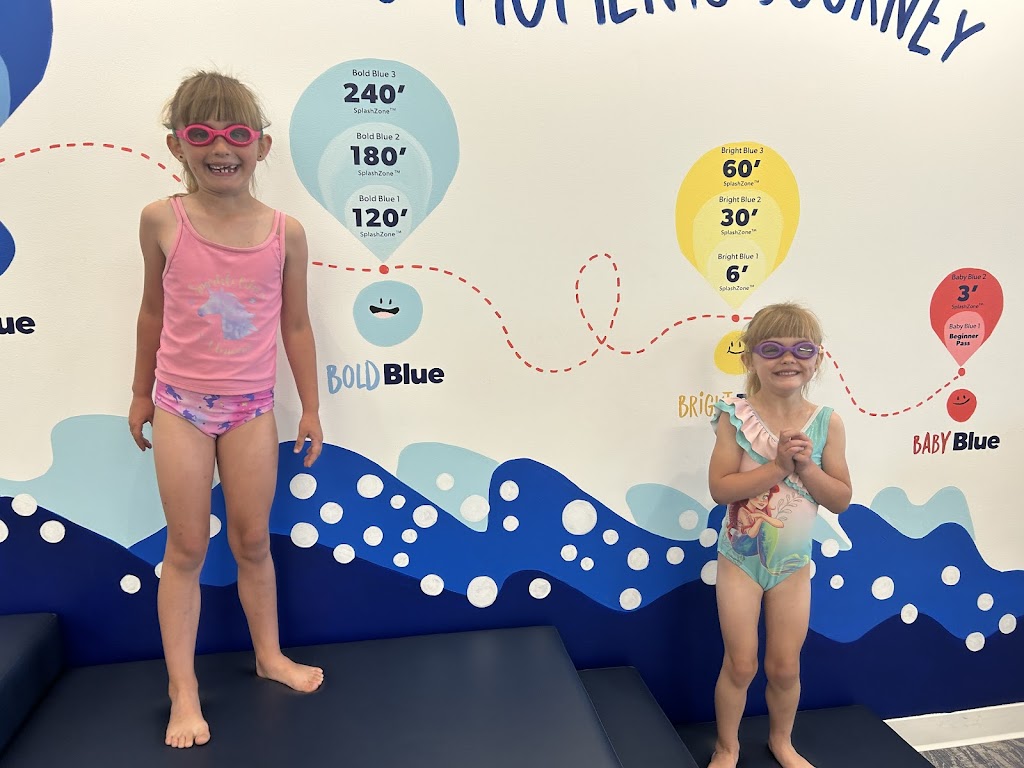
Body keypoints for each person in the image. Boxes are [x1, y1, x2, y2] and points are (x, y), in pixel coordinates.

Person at [128, 71, 325, 749]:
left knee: (251, 541)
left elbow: (296, 326)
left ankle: (269, 655)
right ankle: (183, 690)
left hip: (250, 408)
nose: (220, 148)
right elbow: (151, 312)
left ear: (261, 146)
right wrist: (139, 393)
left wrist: (311, 408)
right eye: (201, 133)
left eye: (237, 134)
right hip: (179, 406)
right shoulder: (162, 220)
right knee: (186, 546)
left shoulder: (286, 233)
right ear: (177, 145)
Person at [707, 302, 852, 768]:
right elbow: (720, 489)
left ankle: (782, 742)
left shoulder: (826, 423)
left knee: (785, 667)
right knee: (741, 663)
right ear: (750, 357)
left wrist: (805, 467)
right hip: (740, 560)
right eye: (772, 349)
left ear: (817, 358)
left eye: (801, 349)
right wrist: (776, 467)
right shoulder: (735, 416)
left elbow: (840, 499)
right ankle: (727, 746)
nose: (787, 358)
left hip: (792, 566)